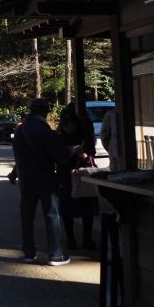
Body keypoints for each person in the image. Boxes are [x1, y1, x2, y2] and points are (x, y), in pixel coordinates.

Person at [12, 98, 72, 266]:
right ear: (46, 111)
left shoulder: (20, 130)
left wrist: (16, 172)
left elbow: (19, 155)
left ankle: (29, 253)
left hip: (26, 179)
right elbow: (59, 155)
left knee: (27, 216)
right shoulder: (44, 130)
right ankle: (55, 255)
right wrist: (70, 152)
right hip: (45, 178)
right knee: (52, 215)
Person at [57, 102, 99, 251]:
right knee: (86, 204)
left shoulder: (63, 128)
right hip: (82, 169)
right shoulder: (86, 122)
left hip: (68, 170)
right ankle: (84, 239)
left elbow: (58, 150)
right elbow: (92, 146)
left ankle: (72, 240)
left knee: (69, 206)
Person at [100, 108, 122, 172]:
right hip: (113, 144)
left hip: (112, 145)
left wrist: (107, 146)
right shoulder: (111, 114)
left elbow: (103, 133)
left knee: (115, 167)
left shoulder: (109, 114)